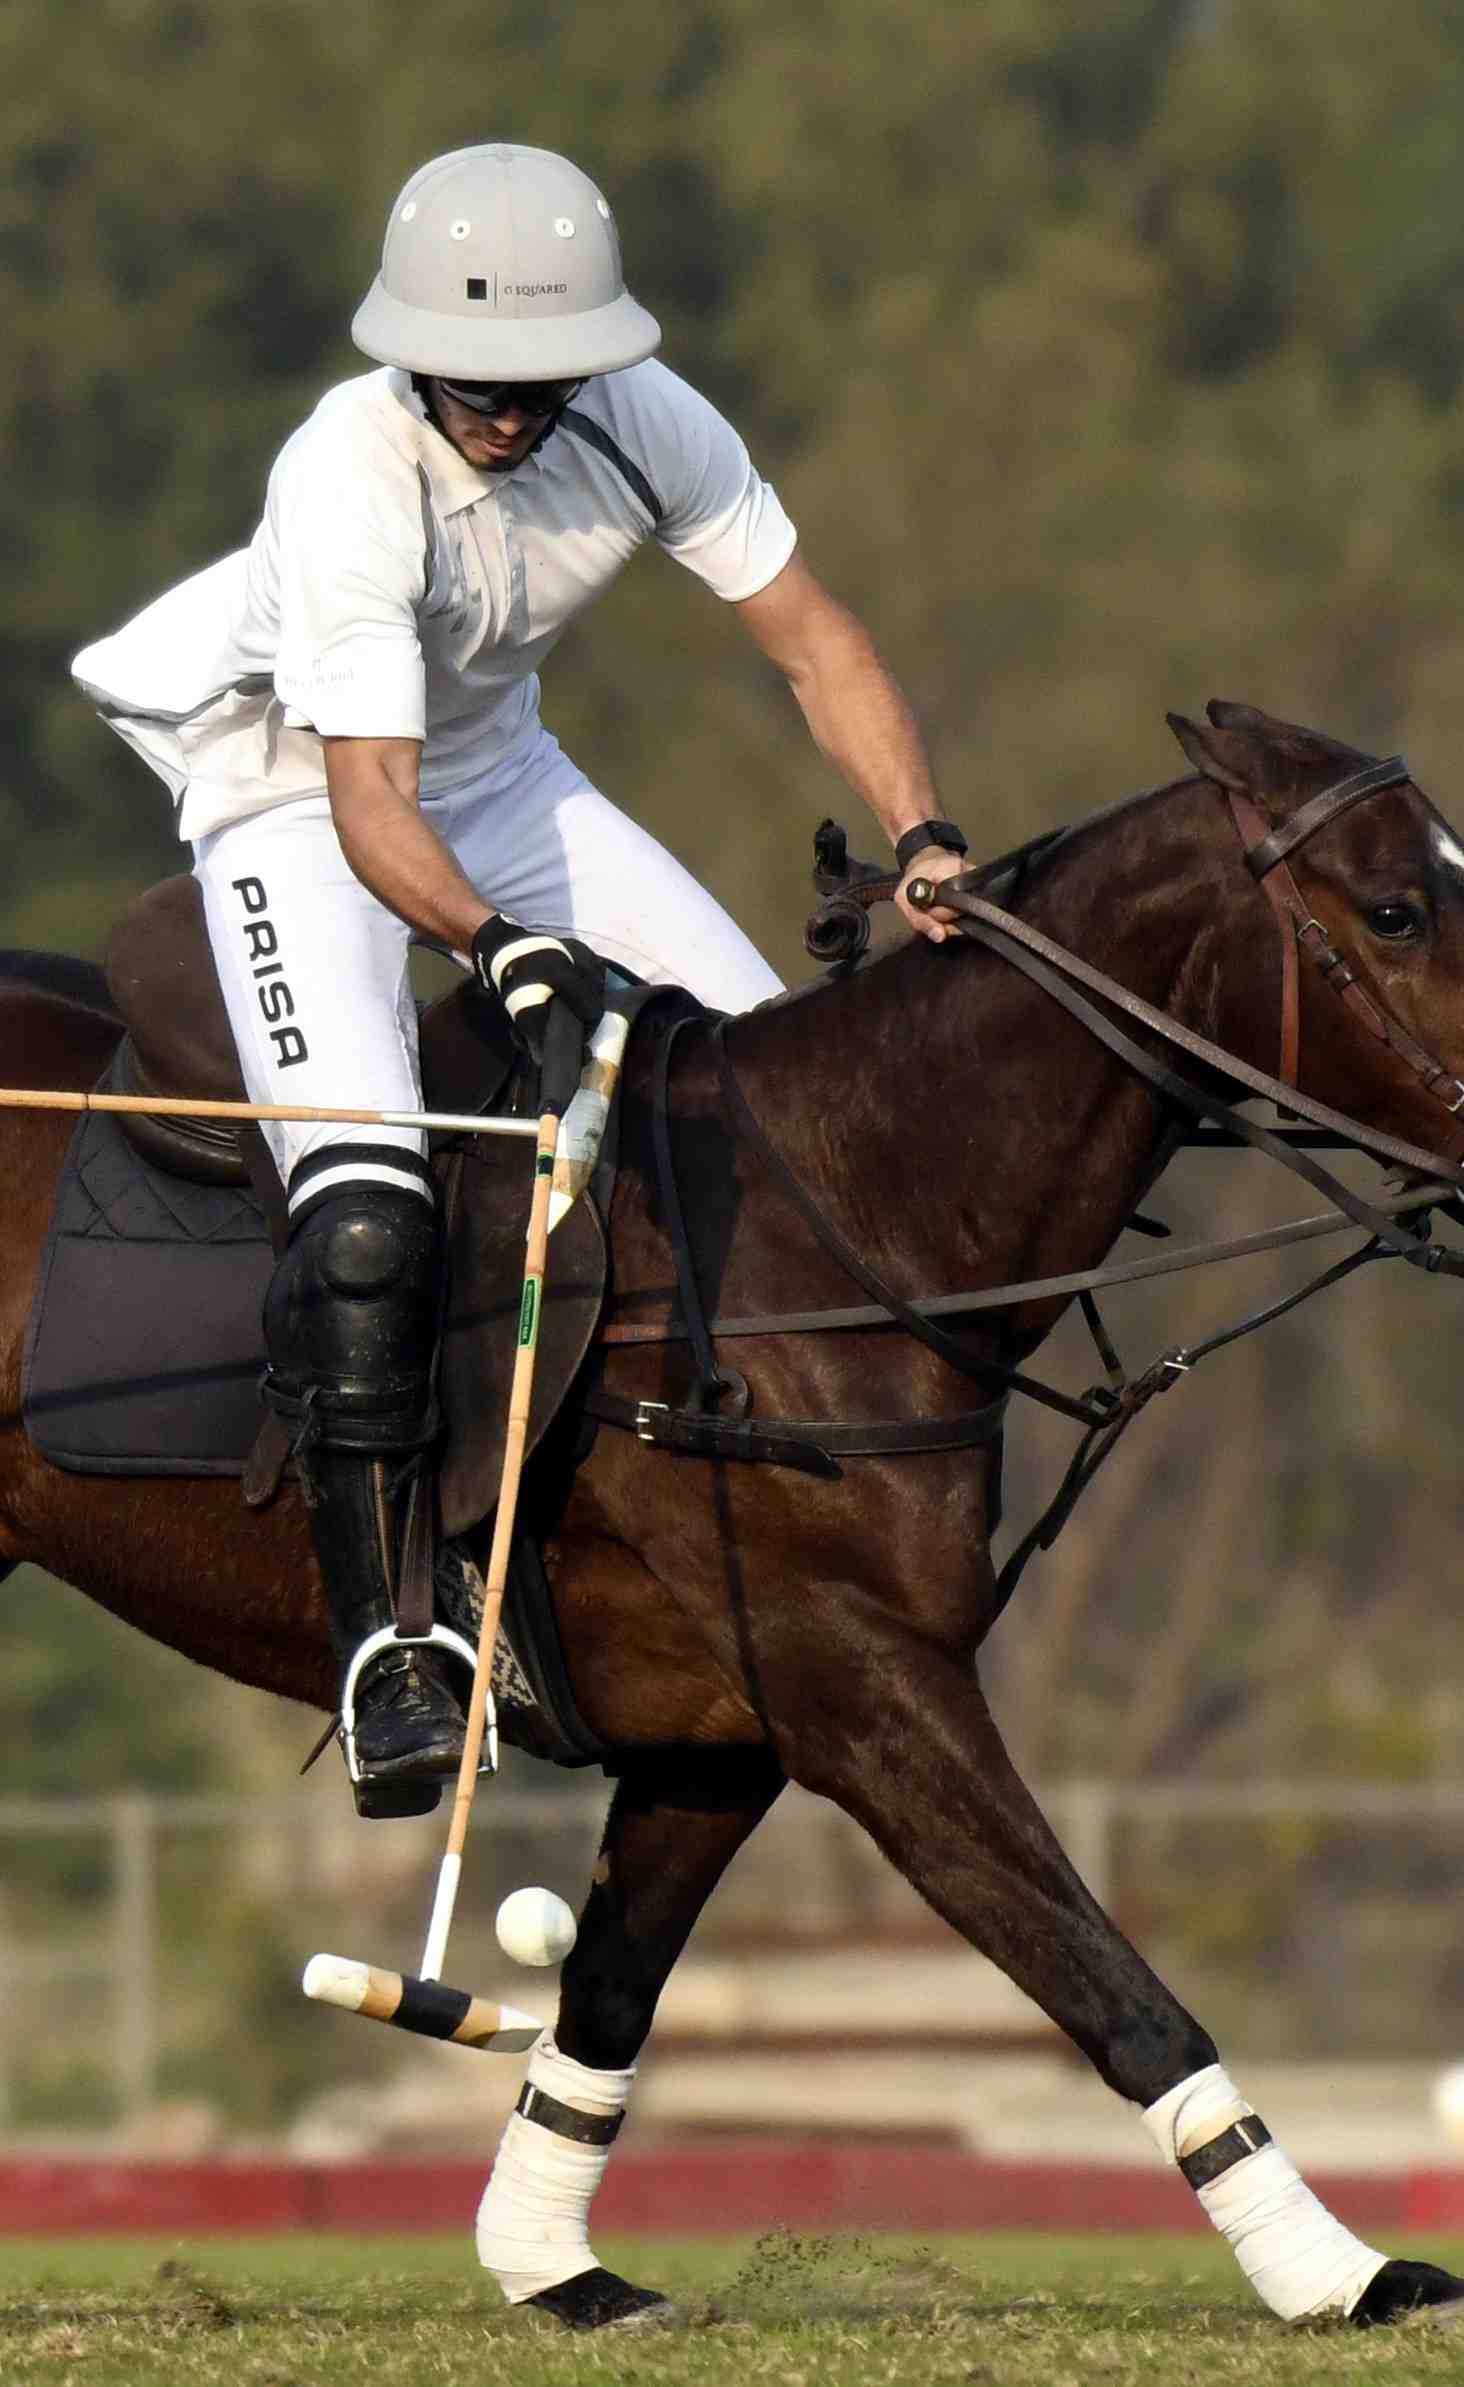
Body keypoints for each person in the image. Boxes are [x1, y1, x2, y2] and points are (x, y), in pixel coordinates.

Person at [69, 142, 966, 1817]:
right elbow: (364, 805)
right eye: (472, 378)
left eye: (535, 380)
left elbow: (814, 640)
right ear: (411, 349)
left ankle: (747, 1511)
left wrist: (924, 835)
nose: (503, 409)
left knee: (779, 1106)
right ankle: (389, 1638)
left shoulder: (645, 418)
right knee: (362, 1208)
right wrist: (499, 952)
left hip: (494, 771)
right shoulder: (348, 472)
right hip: (293, 785)